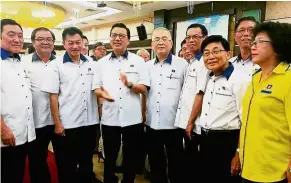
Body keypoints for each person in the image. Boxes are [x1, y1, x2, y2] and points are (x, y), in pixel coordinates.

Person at [92, 23, 150, 183]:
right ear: (110, 39)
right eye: (114, 35)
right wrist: (102, 94)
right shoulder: (101, 63)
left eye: (122, 36)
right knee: (109, 156)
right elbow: (95, 87)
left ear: (128, 41)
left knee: (131, 156)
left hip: (133, 119)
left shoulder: (139, 61)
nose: (117, 38)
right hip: (110, 118)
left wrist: (130, 84)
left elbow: (144, 88)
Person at [42, 27, 99, 183]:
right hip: (67, 125)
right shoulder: (56, 65)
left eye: (78, 42)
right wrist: (57, 124)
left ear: (83, 43)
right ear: (64, 44)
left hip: (90, 123)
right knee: (66, 166)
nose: (75, 46)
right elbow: (52, 96)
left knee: (87, 163)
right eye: (71, 43)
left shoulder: (92, 64)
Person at [240, 22, 291, 183]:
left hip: (275, 173)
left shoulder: (288, 79)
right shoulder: (255, 78)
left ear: (278, 44)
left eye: (260, 42)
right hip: (248, 169)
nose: (253, 46)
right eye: (253, 42)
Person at [199, 35, 247, 182]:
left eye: (216, 51)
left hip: (227, 143)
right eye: (206, 53)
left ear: (228, 54)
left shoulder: (239, 81)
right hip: (207, 140)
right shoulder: (210, 78)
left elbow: (246, 120)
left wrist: (238, 153)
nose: (211, 57)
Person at [146, 27, 188, 183]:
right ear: (152, 44)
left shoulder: (182, 64)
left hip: (174, 125)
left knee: (176, 164)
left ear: (171, 43)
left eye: (164, 38)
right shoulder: (147, 66)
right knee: (156, 164)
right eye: (156, 39)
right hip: (151, 124)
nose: (160, 42)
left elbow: (186, 93)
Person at [1, 19, 36, 183]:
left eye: (20, 35)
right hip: (5, 134)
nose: (17, 39)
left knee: (17, 173)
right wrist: (3, 129)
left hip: (23, 133)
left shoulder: (20, 61)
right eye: (11, 34)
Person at [22, 27, 56, 183]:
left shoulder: (62, 62)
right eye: (40, 39)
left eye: (49, 39)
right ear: (33, 42)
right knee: (37, 160)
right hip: (36, 121)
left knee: (63, 159)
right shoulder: (23, 63)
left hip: (60, 122)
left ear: (53, 43)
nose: (45, 42)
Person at [175, 23, 208, 182]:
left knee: (194, 167)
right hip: (186, 124)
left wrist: (190, 123)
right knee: (187, 164)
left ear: (205, 38)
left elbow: (200, 95)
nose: (191, 40)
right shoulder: (192, 62)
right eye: (188, 37)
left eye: (196, 37)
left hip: (195, 125)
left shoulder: (205, 63)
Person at [230, 16, 260, 81]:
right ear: (235, 36)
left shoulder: (265, 63)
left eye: (251, 30)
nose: (246, 34)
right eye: (241, 30)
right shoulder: (229, 64)